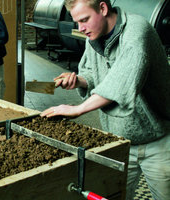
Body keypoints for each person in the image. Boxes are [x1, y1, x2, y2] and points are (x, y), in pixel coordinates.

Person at [41, 0, 170, 199]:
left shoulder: (137, 31)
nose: (80, 28)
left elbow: (121, 80)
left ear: (103, 8)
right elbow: (93, 74)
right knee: (114, 195)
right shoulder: (93, 36)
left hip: (158, 142)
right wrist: (79, 81)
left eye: (84, 20)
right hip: (119, 142)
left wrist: (78, 109)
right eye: (77, 22)